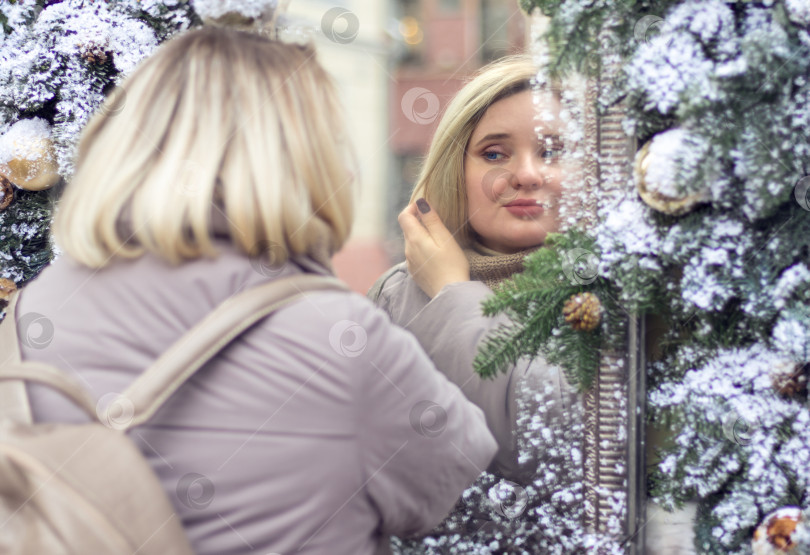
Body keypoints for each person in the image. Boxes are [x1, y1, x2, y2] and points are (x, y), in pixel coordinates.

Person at [9, 28, 498, 554]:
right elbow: (460, 479)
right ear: (305, 160)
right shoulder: (343, 341)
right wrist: (455, 297)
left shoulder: (31, 309)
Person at [369, 55, 575, 482]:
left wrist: (452, 293)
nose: (526, 174)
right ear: (456, 169)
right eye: (494, 153)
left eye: (552, 151)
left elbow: (544, 445)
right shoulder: (396, 297)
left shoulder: (619, 294)